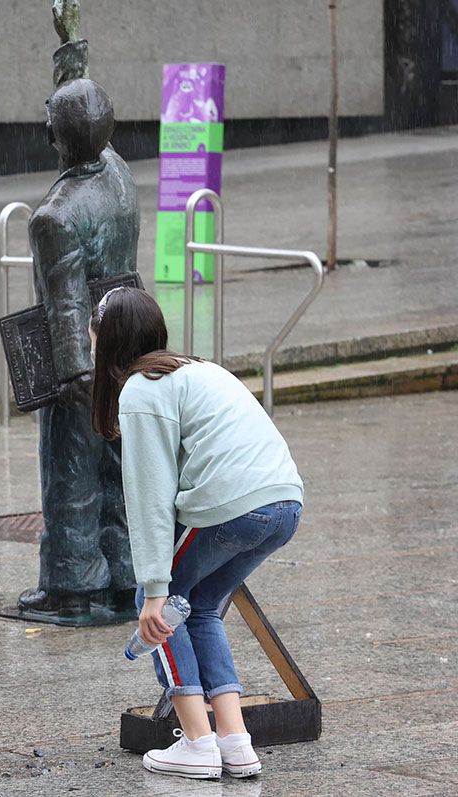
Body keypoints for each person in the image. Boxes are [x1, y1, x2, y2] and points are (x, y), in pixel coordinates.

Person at [89, 287, 304, 780]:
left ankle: (198, 742)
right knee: (201, 605)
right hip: (285, 503)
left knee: (162, 605)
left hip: (234, 508)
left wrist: (152, 592)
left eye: (93, 333)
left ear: (106, 340)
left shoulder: (142, 389)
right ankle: (235, 741)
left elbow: (149, 500)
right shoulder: (194, 367)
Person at [17, 77, 140, 618]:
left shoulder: (55, 215)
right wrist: (70, 44)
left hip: (86, 350)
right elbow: (87, 117)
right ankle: (126, 573)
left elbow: (65, 305)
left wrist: (73, 377)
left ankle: (73, 583)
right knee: (120, 465)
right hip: (131, 335)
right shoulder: (118, 174)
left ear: (56, 139)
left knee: (71, 468)